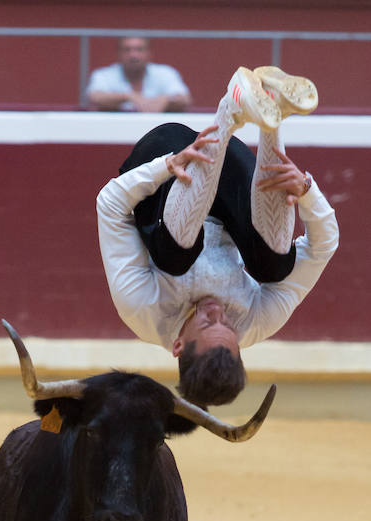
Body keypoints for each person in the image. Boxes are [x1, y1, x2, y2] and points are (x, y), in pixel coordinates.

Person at [97, 65, 339, 406]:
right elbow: (321, 248)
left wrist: (166, 165)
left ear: (178, 347)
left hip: (167, 157)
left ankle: (230, 109)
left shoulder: (142, 308)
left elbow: (110, 205)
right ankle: (271, 104)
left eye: (209, 323)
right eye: (228, 324)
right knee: (275, 269)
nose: (218, 312)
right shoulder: (256, 322)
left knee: (173, 259)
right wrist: (306, 190)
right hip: (230, 176)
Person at [86, 35, 191, 113]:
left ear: (149, 53)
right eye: (127, 50)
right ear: (119, 54)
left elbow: (184, 99)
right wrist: (129, 96)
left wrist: (166, 99)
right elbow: (96, 97)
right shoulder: (104, 75)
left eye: (139, 50)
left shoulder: (166, 73)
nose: (133, 55)